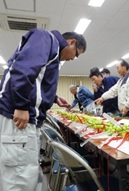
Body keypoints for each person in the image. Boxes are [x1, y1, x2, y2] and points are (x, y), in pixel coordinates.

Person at [0, 29, 86, 191]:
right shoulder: (47, 38)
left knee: (27, 175)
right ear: (71, 42)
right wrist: (21, 105)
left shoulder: (51, 49)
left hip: (25, 119)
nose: (73, 59)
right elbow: (23, 69)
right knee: (19, 179)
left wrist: (53, 99)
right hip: (18, 118)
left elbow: (36, 80)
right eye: (76, 54)